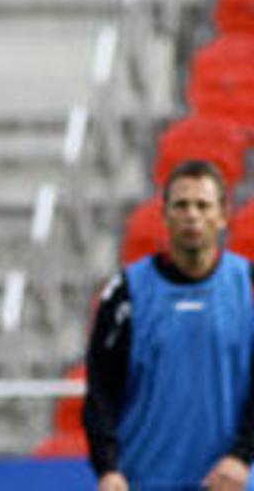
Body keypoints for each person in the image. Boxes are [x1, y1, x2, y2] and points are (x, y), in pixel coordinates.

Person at [82, 160, 254, 490]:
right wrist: (107, 468)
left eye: (203, 205)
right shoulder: (126, 293)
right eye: (181, 205)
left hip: (227, 483)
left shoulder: (248, 287)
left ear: (222, 216)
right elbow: (100, 393)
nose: (192, 215)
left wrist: (241, 456)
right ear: (164, 215)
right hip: (142, 479)